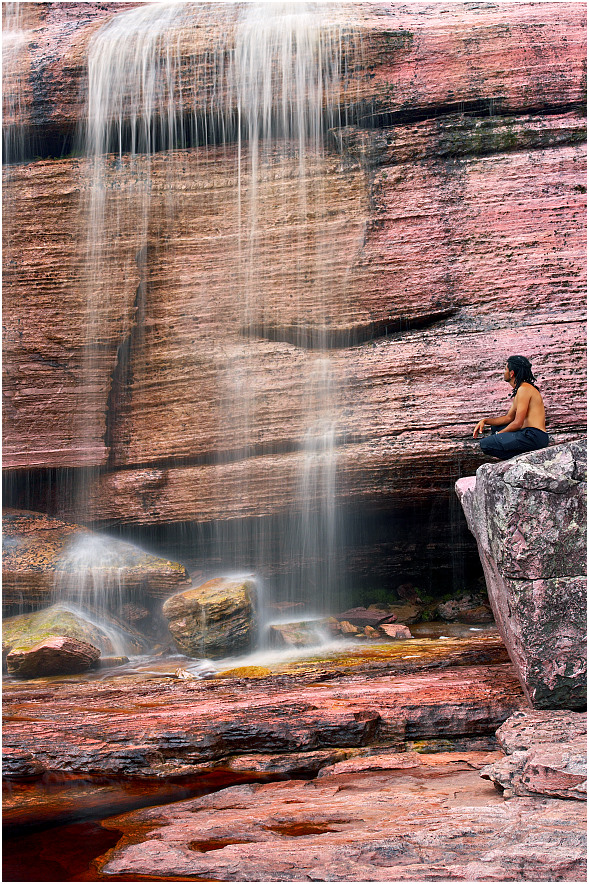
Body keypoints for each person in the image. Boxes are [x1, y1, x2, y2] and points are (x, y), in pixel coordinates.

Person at [473, 355, 550, 460]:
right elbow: (508, 418)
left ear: (512, 373)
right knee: (496, 427)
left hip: (534, 436)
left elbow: (518, 423)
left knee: (486, 444)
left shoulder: (524, 389)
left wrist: (498, 435)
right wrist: (485, 421)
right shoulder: (521, 390)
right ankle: (521, 458)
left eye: (505, 369)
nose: (503, 372)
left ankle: (521, 459)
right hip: (529, 435)